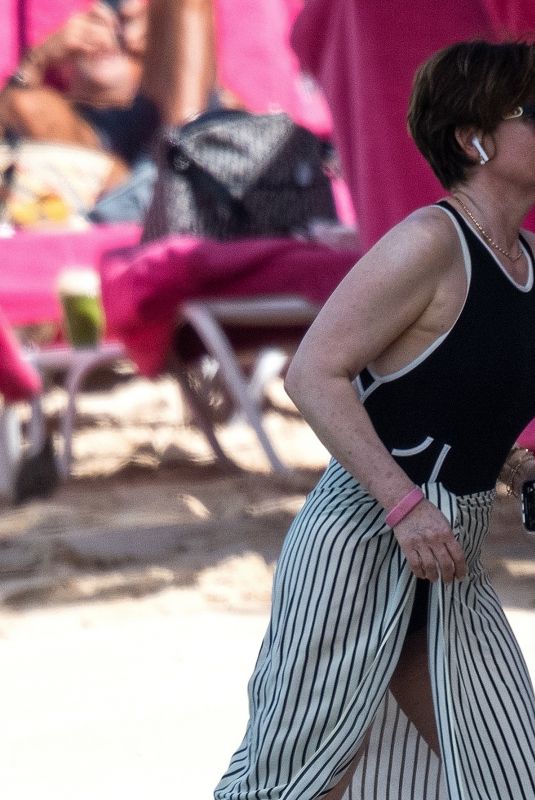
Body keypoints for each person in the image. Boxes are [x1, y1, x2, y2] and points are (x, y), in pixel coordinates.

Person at [214, 40, 535, 800]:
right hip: (361, 541)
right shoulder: (428, 244)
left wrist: (516, 467)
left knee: (507, 776)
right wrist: (402, 504)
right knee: (297, 780)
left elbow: (446, 402)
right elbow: (312, 375)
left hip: (443, 556)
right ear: (474, 137)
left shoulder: (522, 260)